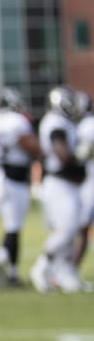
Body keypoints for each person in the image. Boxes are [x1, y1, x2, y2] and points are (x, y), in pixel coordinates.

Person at [0, 87, 41, 288]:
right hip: (12, 177)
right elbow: (32, 147)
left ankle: (12, 271)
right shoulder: (14, 122)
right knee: (14, 227)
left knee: (11, 225)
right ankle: (3, 263)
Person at [32, 86, 87, 293]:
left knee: (70, 230)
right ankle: (42, 267)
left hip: (68, 184)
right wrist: (81, 155)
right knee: (67, 229)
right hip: (59, 183)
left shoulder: (64, 123)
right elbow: (62, 155)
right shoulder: (56, 123)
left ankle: (62, 274)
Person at [74, 91, 94, 277]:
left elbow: (83, 153)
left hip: (89, 182)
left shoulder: (87, 125)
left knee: (82, 228)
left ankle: (71, 270)